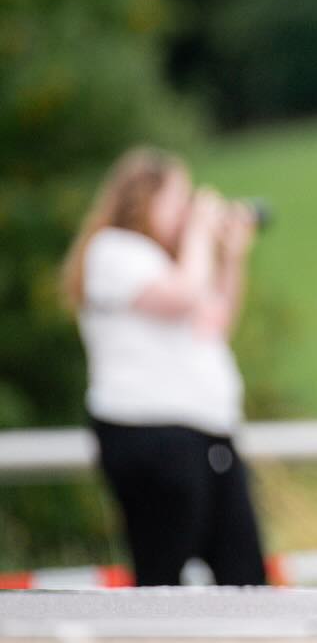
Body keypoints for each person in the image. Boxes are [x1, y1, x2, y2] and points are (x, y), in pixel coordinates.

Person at [60, 146, 267, 585]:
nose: (186, 212)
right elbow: (182, 296)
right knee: (162, 577)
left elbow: (214, 321)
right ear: (143, 199)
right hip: (150, 435)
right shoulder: (113, 251)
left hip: (207, 433)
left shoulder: (168, 262)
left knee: (245, 576)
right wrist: (200, 232)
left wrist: (231, 257)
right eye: (179, 200)